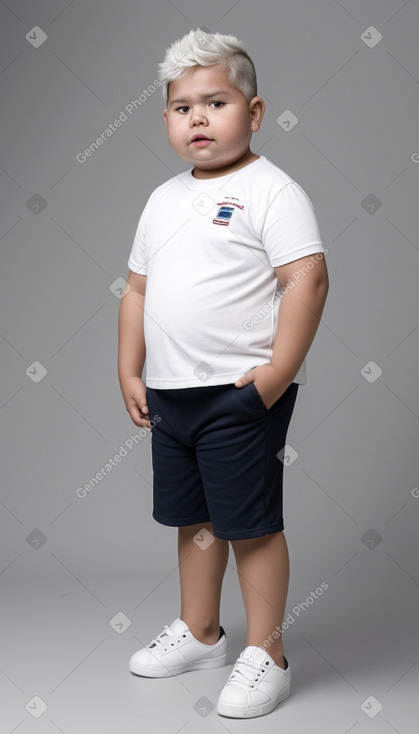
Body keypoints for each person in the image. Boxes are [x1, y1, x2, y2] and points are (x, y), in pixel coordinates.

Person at [118, 28, 329, 719]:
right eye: (182, 108)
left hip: (238, 394)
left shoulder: (272, 191)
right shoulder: (160, 199)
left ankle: (266, 652)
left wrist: (274, 374)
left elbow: (307, 279)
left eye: (216, 102)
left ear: (255, 112)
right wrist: (130, 369)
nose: (199, 118)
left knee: (251, 525)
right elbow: (139, 291)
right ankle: (202, 631)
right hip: (171, 393)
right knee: (196, 518)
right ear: (166, 121)